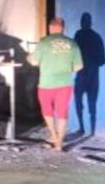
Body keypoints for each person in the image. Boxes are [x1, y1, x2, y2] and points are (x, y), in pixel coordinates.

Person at [29, 17, 83, 151]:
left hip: (46, 84)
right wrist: (65, 70)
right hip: (65, 84)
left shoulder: (44, 42)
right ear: (63, 28)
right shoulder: (72, 44)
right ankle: (59, 144)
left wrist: (28, 57)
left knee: (47, 110)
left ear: (50, 28)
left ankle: (54, 135)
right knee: (62, 113)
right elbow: (79, 66)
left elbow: (34, 62)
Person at [73, 13, 105, 136]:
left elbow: (73, 54)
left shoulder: (78, 35)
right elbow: (103, 60)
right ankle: (92, 131)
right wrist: (93, 62)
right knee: (92, 105)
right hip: (93, 76)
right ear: (91, 23)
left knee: (78, 102)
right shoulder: (97, 37)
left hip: (81, 75)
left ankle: (81, 128)